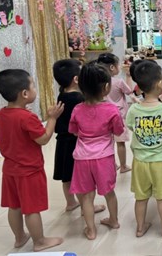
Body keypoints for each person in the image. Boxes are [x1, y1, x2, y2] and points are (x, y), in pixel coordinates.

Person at [0, 69, 64, 252]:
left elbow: (11, 128)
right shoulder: (27, 117)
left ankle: (19, 238)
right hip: (29, 170)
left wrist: (23, 114)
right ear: (24, 94)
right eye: (33, 85)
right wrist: (52, 118)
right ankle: (39, 241)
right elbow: (43, 139)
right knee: (31, 209)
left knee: (14, 206)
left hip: (9, 169)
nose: (35, 88)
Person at [69, 61, 126, 240]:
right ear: (106, 87)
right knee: (109, 192)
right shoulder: (111, 109)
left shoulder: (77, 109)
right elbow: (118, 131)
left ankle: (91, 230)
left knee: (86, 196)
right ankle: (114, 221)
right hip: (104, 158)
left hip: (82, 158)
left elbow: (73, 131)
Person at [126, 60, 162, 239]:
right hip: (160, 161)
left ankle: (140, 228)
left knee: (140, 197)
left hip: (140, 162)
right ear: (159, 84)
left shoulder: (134, 109)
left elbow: (131, 127)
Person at [52, 59, 106, 214]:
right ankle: (86, 206)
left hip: (61, 142)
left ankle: (70, 203)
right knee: (79, 177)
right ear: (76, 79)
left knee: (66, 175)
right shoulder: (79, 99)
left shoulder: (61, 95)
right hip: (75, 141)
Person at [97, 53, 135, 174]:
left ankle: (113, 164)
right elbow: (130, 91)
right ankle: (123, 166)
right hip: (119, 116)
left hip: (104, 116)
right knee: (120, 142)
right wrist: (128, 76)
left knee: (109, 142)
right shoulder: (118, 82)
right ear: (112, 67)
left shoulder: (98, 82)